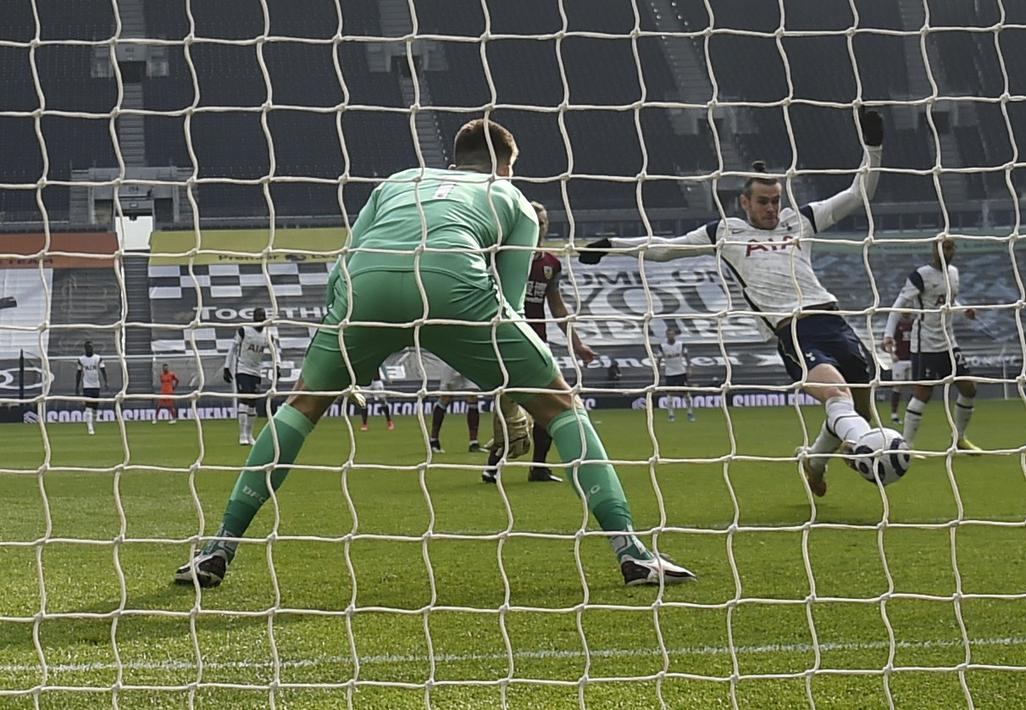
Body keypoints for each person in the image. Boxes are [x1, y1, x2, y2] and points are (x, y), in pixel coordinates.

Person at [174, 119, 694, 589]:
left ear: (453, 161)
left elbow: (339, 268)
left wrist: (348, 346)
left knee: (301, 406)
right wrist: (511, 376)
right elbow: (511, 301)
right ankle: (632, 551)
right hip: (453, 285)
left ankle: (218, 546)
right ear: (508, 166)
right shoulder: (510, 197)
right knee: (561, 407)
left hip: (364, 288)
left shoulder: (398, 180)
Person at [580, 107, 886, 498]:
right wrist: (611, 246)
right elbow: (665, 250)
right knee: (838, 397)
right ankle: (864, 450)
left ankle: (814, 462)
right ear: (744, 202)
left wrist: (873, 147)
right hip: (792, 328)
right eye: (763, 201)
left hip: (834, 319)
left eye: (776, 200)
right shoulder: (725, 232)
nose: (771, 209)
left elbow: (861, 192)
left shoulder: (802, 220)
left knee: (861, 412)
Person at [482, 201, 598, 484]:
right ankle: (493, 466)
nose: (542, 224)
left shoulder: (551, 264)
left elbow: (557, 307)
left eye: (545, 220)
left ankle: (539, 467)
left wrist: (578, 344)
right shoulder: (503, 257)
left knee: (552, 405)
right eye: (536, 219)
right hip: (508, 340)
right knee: (510, 409)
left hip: (537, 342)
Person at [881, 237, 981, 452]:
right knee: (923, 394)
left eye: (951, 247)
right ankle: (906, 446)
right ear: (934, 249)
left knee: (969, 388)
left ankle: (959, 439)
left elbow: (949, 302)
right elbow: (899, 305)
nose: (948, 250)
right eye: (944, 246)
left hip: (948, 342)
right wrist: (888, 334)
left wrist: (964, 311)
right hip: (924, 344)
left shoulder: (954, 273)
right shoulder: (920, 276)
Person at [224, 307, 279, 446]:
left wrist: (277, 366)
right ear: (254, 318)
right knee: (245, 399)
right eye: (259, 316)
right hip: (242, 369)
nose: (261, 318)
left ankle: (249, 435)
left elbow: (275, 352)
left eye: (263, 316)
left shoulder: (268, 334)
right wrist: (227, 367)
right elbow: (232, 349)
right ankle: (242, 434)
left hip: (256, 372)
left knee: (253, 403)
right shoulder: (244, 330)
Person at [428, 363, 483, 453]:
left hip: (471, 359)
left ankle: (474, 443)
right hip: (452, 360)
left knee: (473, 396)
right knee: (446, 397)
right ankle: (434, 440)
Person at [658, 327, 694, 422]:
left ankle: (690, 412)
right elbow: (658, 359)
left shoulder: (680, 345)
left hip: (681, 371)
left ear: (675, 335)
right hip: (669, 373)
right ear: (666, 335)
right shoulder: (662, 346)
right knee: (670, 394)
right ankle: (671, 414)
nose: (670, 336)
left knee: (686, 393)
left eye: (672, 334)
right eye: (669, 334)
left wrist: (689, 368)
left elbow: (687, 356)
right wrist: (658, 372)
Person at [75, 341, 107, 435]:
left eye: (91, 347)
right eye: (88, 347)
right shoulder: (81, 359)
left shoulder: (98, 358)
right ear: (85, 348)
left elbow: (103, 370)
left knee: (95, 408)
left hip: (96, 385)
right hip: (87, 386)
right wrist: (77, 386)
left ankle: (93, 425)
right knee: (88, 407)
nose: (90, 349)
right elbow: (78, 373)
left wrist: (106, 382)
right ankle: (90, 428)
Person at [887, 314, 913, 425]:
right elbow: (887, 342)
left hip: (913, 358)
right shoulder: (896, 325)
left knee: (916, 386)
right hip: (900, 360)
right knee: (897, 386)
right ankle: (894, 415)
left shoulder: (915, 323)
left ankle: (912, 413)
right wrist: (892, 354)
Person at [360, 365, 394, 431]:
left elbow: (383, 365)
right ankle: (364, 424)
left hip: (376, 380)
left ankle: (389, 421)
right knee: (364, 402)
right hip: (366, 382)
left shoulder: (374, 356)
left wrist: (387, 377)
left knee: (382, 400)